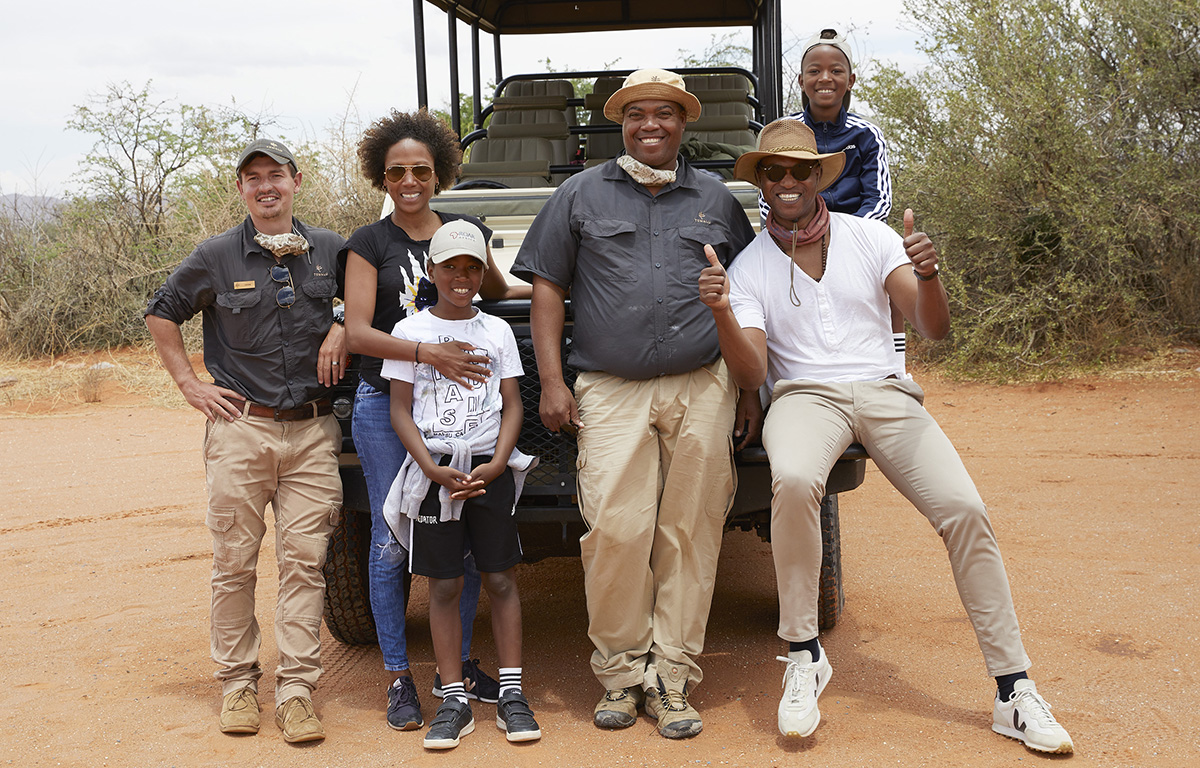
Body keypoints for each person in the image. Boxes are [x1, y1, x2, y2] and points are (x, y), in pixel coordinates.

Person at [698, 119, 1075, 754]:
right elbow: (755, 372)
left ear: (819, 178)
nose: (788, 182)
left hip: (883, 388)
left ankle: (1013, 688)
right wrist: (720, 312)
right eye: (774, 172)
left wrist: (928, 276)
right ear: (760, 181)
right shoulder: (750, 265)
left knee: (964, 509)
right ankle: (803, 654)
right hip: (804, 396)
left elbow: (933, 327)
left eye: (800, 171)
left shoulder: (870, 238)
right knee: (791, 481)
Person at [511, 68, 757, 740]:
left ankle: (672, 679)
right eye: (637, 114)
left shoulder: (716, 197)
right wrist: (554, 381)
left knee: (690, 532)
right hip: (609, 388)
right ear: (620, 123)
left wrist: (748, 386)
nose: (651, 125)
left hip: (702, 384)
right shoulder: (580, 194)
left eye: (665, 113)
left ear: (684, 123)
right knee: (615, 533)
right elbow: (547, 292)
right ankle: (621, 675)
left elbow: (749, 298)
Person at [145, 138, 346, 743]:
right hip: (241, 428)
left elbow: (372, 303)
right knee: (233, 563)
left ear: (296, 181)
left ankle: (296, 692)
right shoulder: (215, 255)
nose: (266, 186)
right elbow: (161, 312)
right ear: (240, 188)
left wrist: (340, 324)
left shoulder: (332, 251)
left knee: (305, 565)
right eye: (253, 177)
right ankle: (236, 685)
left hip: (314, 431)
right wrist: (190, 384)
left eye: (276, 175)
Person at [341, 109, 528, 731]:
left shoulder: (466, 229)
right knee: (393, 542)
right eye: (397, 171)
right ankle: (399, 676)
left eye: (421, 169)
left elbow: (500, 293)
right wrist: (430, 353)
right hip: (389, 404)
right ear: (381, 177)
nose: (410, 180)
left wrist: (564, 283)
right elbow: (361, 330)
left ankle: (460, 672)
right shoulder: (369, 242)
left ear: (441, 172)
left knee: (467, 544)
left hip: (469, 419)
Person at [381, 219, 540, 750]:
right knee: (444, 585)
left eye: (473, 267)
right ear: (432, 270)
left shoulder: (495, 330)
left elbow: (514, 403)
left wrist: (497, 464)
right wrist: (428, 467)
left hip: (487, 471)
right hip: (435, 474)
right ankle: (454, 697)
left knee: (499, 578)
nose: (462, 276)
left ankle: (513, 695)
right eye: (451, 266)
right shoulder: (409, 333)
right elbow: (399, 409)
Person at [760, 28, 906, 369]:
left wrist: (846, 240)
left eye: (836, 70)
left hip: (856, 237)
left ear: (850, 79)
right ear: (800, 80)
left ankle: (894, 364)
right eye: (814, 70)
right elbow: (769, 195)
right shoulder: (785, 131)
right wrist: (802, 236)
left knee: (895, 258)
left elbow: (879, 199)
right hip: (795, 235)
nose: (825, 78)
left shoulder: (866, 134)